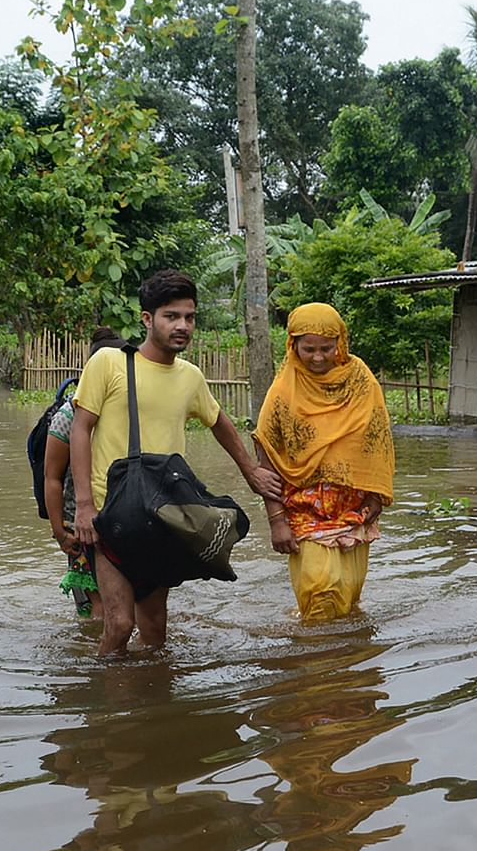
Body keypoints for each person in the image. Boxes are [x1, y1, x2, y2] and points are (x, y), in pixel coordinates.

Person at [70, 270, 281, 656]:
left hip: (161, 517)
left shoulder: (191, 377)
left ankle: (152, 706)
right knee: (118, 625)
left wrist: (251, 471)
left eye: (189, 317)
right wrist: (84, 505)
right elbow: (80, 430)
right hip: (110, 515)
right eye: (171, 316)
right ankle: (104, 708)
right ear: (148, 319)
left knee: (154, 631)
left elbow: (220, 422)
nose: (182, 326)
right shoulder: (110, 364)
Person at [253, 302, 395, 621]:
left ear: (340, 344)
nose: (318, 358)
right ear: (293, 346)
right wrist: (276, 521)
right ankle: (314, 669)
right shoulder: (283, 390)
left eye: (326, 349)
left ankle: (352, 668)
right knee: (321, 595)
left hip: (354, 509)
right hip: (304, 510)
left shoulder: (360, 380)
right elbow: (268, 455)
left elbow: (377, 440)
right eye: (309, 349)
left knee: (349, 601)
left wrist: (375, 497)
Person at [43, 326, 122, 620]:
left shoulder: (126, 408)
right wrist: (60, 533)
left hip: (123, 519)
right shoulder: (67, 417)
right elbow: (52, 479)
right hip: (81, 526)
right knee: (96, 610)